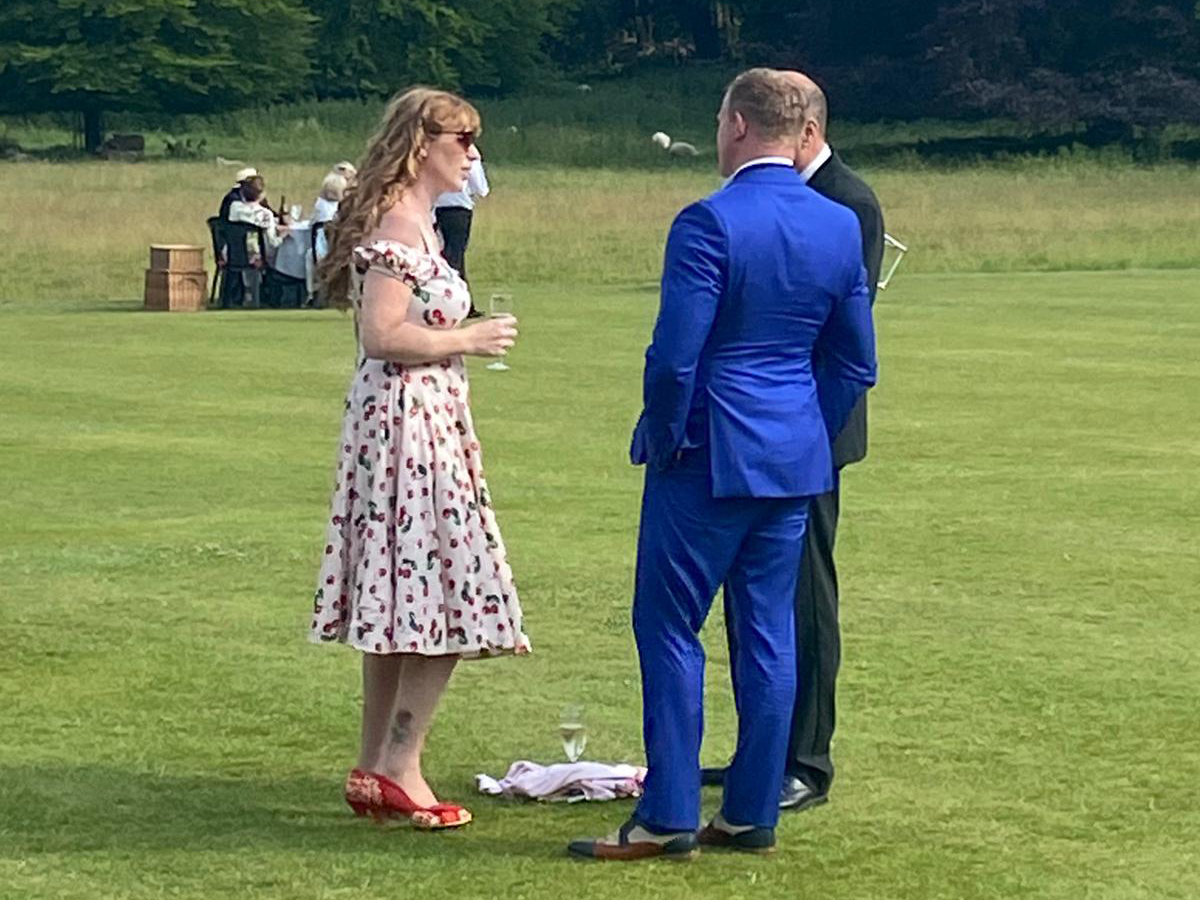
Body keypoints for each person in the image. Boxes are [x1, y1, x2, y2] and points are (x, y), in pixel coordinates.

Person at [569, 68, 876, 861]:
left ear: (738, 124)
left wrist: (666, 435)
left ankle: (668, 813)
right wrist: (808, 430)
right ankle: (750, 810)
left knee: (668, 626)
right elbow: (853, 363)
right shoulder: (839, 224)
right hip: (792, 460)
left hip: (707, 455)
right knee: (768, 632)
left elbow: (675, 359)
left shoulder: (708, 221)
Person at [310, 87, 528, 831]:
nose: (472, 153)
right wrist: (470, 337)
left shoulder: (424, 224)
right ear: (421, 142)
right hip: (409, 427)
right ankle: (400, 763)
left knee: (401, 598)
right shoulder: (400, 223)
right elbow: (382, 334)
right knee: (446, 591)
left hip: (423, 418)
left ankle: (376, 767)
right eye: (461, 139)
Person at [701, 71, 887, 813]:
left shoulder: (848, 201)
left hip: (806, 433)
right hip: (755, 432)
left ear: (807, 131)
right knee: (750, 601)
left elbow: (839, 339)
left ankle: (805, 759)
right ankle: (760, 752)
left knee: (804, 599)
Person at [434, 156, 489, 315]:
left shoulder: (433, 151)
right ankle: (455, 303)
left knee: (439, 254)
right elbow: (481, 188)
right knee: (455, 256)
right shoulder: (471, 155)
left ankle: (457, 302)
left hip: (432, 207)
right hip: (458, 209)